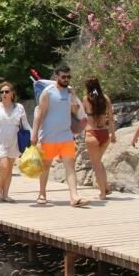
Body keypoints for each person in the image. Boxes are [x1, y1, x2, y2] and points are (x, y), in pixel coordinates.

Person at [29, 65, 88, 206]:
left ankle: (74, 196)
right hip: (49, 136)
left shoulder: (69, 92)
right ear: (56, 77)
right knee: (46, 166)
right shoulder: (48, 92)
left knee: (70, 166)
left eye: (68, 77)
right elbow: (40, 114)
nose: (66, 79)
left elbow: (74, 110)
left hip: (66, 136)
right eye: (63, 77)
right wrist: (34, 133)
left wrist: (73, 96)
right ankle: (42, 194)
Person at [0, 82, 30, 202]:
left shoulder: (19, 107)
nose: (4, 94)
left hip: (14, 141)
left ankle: (5, 194)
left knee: (9, 168)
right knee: (4, 165)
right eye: (1, 92)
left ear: (12, 94)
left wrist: (32, 136)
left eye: (7, 92)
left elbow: (25, 124)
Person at [83, 77, 116, 200]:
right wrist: (113, 134)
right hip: (104, 133)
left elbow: (80, 115)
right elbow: (111, 118)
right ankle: (106, 187)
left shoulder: (86, 99)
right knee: (99, 161)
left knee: (96, 164)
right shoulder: (105, 98)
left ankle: (102, 193)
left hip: (92, 133)